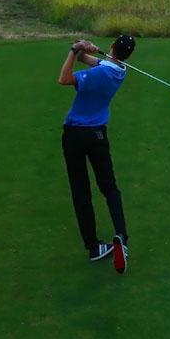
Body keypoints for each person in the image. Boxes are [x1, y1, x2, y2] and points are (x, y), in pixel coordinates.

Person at [58, 34, 135, 273]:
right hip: (98, 136)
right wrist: (83, 49)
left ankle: (94, 248)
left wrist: (72, 49)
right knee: (109, 188)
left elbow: (64, 78)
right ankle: (121, 236)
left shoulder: (98, 74)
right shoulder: (119, 71)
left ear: (112, 47)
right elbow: (87, 59)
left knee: (81, 190)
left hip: (74, 135)